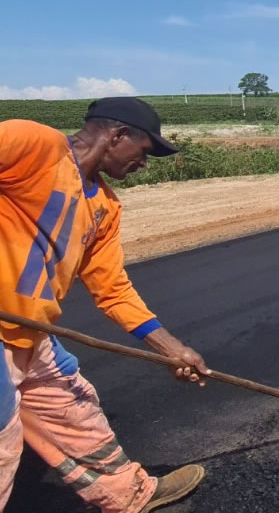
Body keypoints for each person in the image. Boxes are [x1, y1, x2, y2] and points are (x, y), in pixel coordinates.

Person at [0, 97, 208, 512]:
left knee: (73, 406)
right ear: (117, 135)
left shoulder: (105, 208)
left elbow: (112, 288)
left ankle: (128, 494)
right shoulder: (33, 144)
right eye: (145, 152)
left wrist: (171, 349)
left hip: (30, 332)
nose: (144, 164)